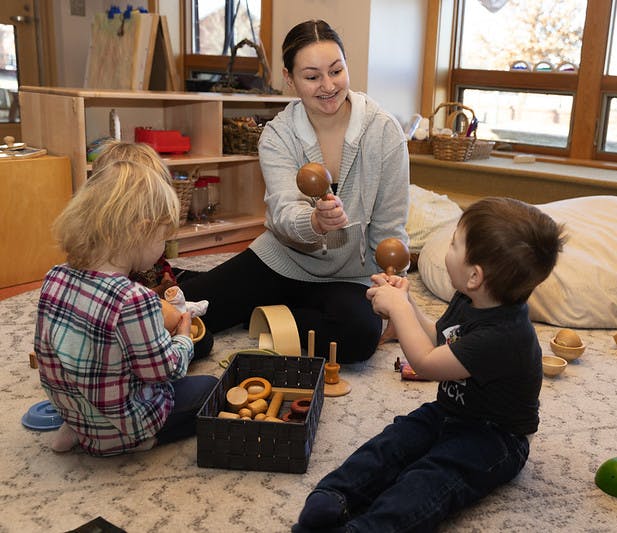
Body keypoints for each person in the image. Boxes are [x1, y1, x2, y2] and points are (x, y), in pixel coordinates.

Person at [293, 197, 565, 532]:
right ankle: (337, 494)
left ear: (475, 276)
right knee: (392, 443)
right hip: (450, 411)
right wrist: (404, 303)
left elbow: (426, 363)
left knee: (430, 479)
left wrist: (400, 311)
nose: (446, 250)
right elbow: (441, 339)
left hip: (495, 438)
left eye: (454, 244)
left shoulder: (504, 336)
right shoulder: (470, 298)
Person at [179, 19, 409, 363]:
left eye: (336, 71)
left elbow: (391, 225)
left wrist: (391, 283)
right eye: (312, 77)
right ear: (289, 79)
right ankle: (217, 287)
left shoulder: (384, 131)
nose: (328, 86)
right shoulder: (278, 134)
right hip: (282, 260)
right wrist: (315, 223)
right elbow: (284, 212)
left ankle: (261, 310)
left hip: (351, 276)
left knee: (358, 338)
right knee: (183, 310)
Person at [33, 159, 218, 456]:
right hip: (123, 425)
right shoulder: (134, 299)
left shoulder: (56, 276)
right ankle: (141, 440)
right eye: (163, 238)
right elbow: (166, 371)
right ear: (141, 232)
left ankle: (76, 429)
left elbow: (48, 353)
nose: (164, 247)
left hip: (74, 409)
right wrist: (182, 336)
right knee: (210, 388)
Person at [91, 140, 214, 359]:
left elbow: (160, 266)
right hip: (144, 311)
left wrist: (168, 282)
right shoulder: (113, 268)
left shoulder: (143, 239)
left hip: (157, 288)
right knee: (203, 341)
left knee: (208, 281)